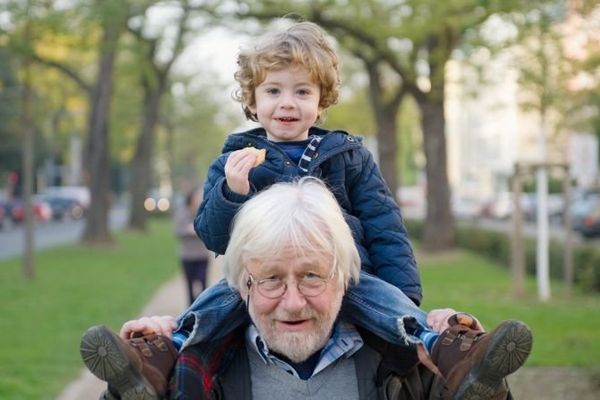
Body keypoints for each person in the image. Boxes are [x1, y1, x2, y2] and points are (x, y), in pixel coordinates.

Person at [79, 21, 532, 398]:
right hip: (255, 278)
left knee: (378, 298)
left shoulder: (347, 155)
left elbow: (384, 226)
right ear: (253, 102)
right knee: (217, 301)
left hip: (345, 274)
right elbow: (213, 236)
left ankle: (446, 351)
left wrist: (403, 300)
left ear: (321, 100)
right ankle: (164, 353)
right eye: (274, 91)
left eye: (302, 91)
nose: (287, 103)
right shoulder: (236, 160)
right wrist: (233, 193)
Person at [81, 178, 530, 399]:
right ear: (242, 283)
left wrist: (482, 380)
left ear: (345, 276)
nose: (292, 303)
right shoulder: (197, 368)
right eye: (272, 279)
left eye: (312, 276)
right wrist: (131, 385)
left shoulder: (410, 364)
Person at [174, 188, 210, 305]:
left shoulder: (203, 212)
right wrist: (188, 230)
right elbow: (177, 230)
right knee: (189, 285)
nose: (199, 199)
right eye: (196, 197)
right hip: (187, 255)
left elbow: (209, 228)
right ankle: (191, 309)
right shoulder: (182, 212)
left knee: (203, 283)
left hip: (202, 254)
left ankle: (203, 307)